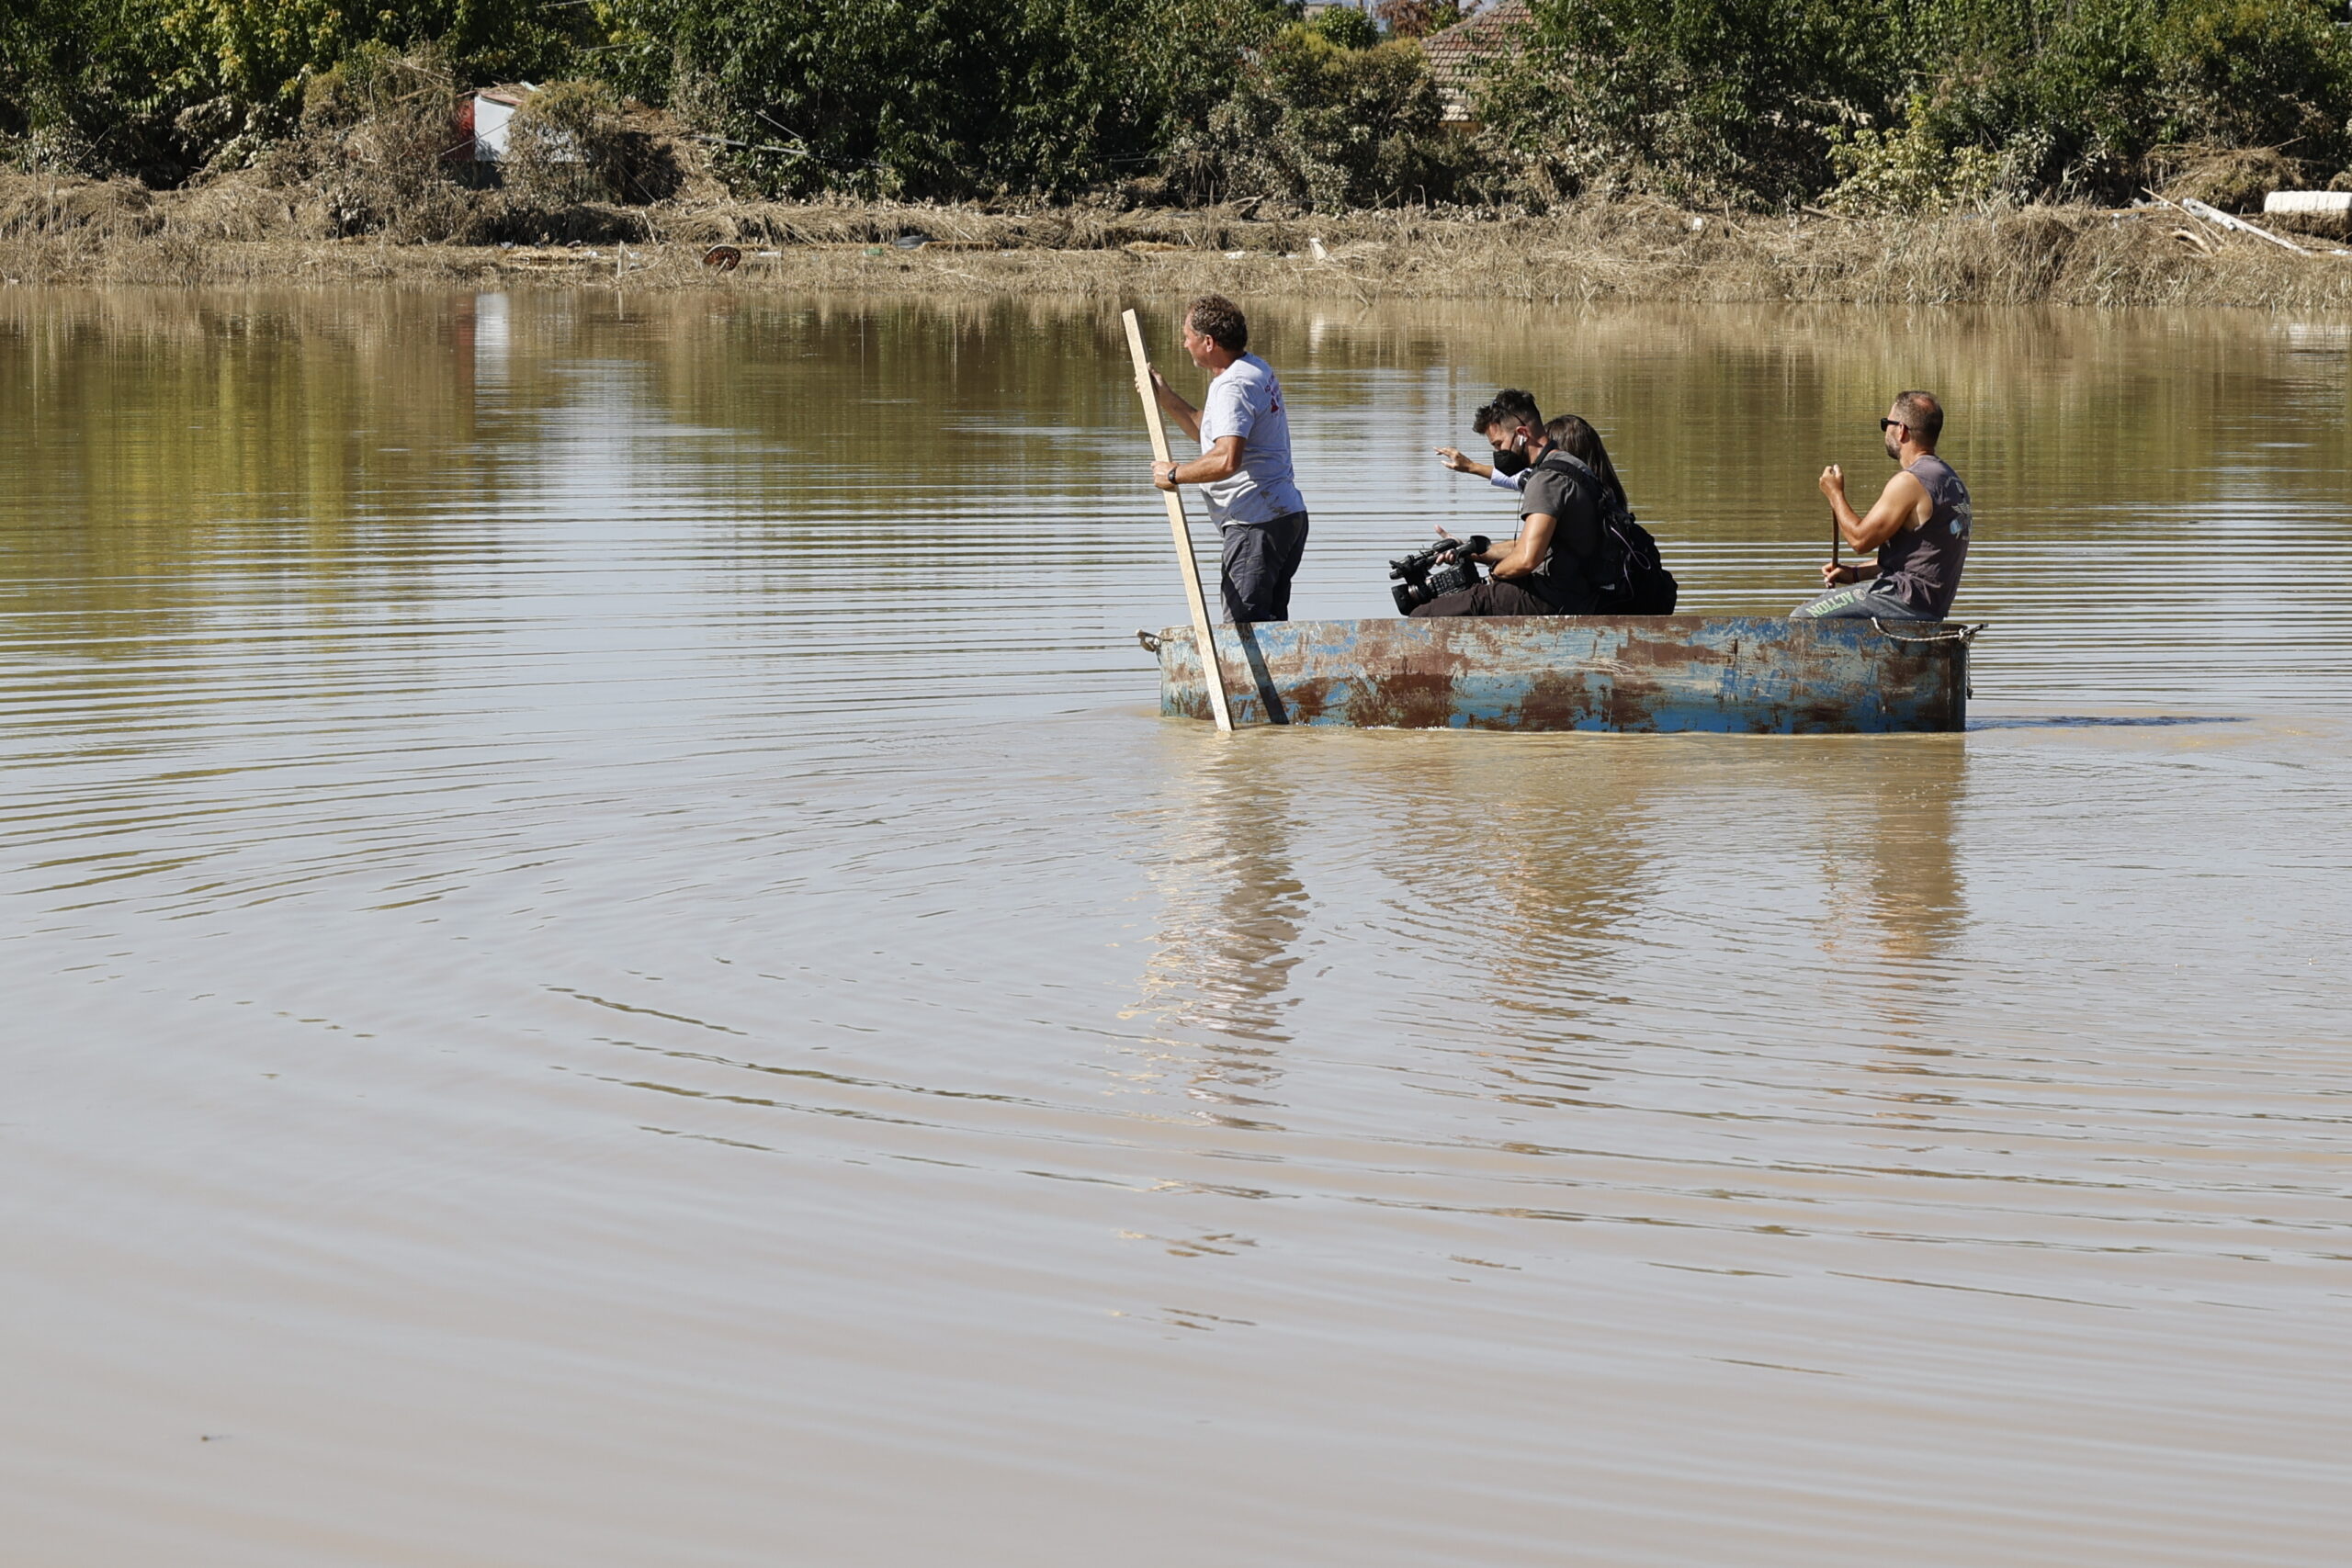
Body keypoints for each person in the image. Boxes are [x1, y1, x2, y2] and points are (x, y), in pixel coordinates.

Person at [1412, 412, 1673, 617]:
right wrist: (1469, 550)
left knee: (1439, 609)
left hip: (1566, 597)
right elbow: (1522, 490)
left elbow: (1528, 556)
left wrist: (1494, 575)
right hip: (1579, 593)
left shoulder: (1562, 481)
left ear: (1569, 454)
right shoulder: (1595, 494)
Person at [1147, 295, 1309, 623]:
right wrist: (1164, 396)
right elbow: (1210, 436)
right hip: (1282, 517)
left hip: (1256, 524)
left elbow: (1225, 460)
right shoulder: (1252, 368)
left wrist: (1174, 474)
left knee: (1244, 632)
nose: (1183, 344)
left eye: (1187, 336)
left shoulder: (1233, 385)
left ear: (1208, 342)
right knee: (1270, 633)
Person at [1795, 390, 1971, 622]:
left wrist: (1835, 494)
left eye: (1886, 423)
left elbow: (1860, 540)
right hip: (1930, 605)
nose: (1885, 430)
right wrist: (1856, 574)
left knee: (1802, 618)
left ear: (1902, 429)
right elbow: (1920, 559)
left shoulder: (1910, 481)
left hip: (1903, 599)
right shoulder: (1951, 481)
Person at [1435, 389, 1546, 502]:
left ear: (1522, 434)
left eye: (1499, 444)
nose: (1498, 451)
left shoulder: (1546, 480)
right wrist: (1470, 466)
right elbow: (1517, 479)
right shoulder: (1541, 470)